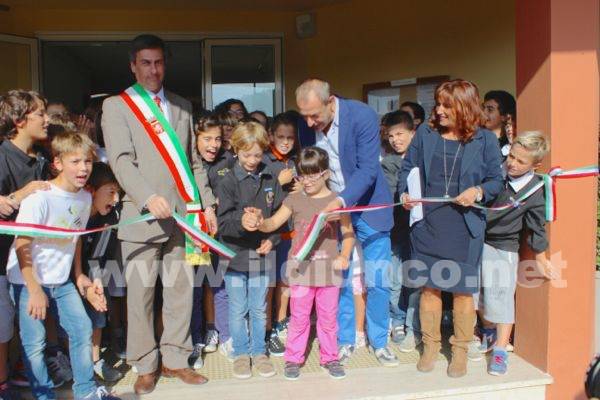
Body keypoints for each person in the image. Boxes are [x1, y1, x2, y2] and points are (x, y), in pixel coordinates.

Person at [102, 34, 216, 394]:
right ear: (134, 66)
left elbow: (194, 162)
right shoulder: (117, 106)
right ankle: (145, 364)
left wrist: (208, 204)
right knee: (141, 297)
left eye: (159, 62)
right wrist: (148, 196)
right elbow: (120, 161)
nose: (153, 70)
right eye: (146, 63)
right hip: (142, 217)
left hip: (183, 216)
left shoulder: (182, 105)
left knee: (181, 292)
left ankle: (176, 360)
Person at [398, 79, 504, 378]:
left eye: (447, 105)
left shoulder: (484, 140)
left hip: (464, 225)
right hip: (427, 223)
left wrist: (478, 192)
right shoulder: (426, 134)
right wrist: (405, 194)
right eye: (438, 104)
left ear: (464, 107)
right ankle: (430, 346)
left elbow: (497, 180)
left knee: (461, 291)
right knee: (429, 287)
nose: (439, 110)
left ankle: (459, 350)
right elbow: (408, 170)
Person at [7, 131, 120, 400]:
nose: (83, 168)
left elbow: (76, 237)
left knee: (81, 330)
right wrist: (34, 289)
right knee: (35, 344)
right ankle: (44, 395)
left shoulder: (83, 198)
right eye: (75, 162)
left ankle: (86, 391)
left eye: (88, 162)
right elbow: (22, 244)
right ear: (57, 163)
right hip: (27, 281)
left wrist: (79, 275)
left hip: (62, 280)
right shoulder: (40, 198)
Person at [295, 78, 397, 367]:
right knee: (339, 278)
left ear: (330, 102)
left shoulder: (361, 115)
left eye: (315, 114)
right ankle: (345, 340)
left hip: (368, 206)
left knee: (377, 280)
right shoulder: (306, 123)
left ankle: (380, 342)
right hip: (331, 211)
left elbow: (368, 169)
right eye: (304, 116)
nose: (310, 122)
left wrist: (341, 201)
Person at [244, 146, 355, 380]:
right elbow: (273, 223)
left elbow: (348, 234)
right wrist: (259, 222)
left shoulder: (337, 201)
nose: (306, 181)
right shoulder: (293, 199)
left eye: (312, 175)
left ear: (325, 173)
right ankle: (293, 359)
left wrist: (344, 256)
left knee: (327, 318)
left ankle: (330, 357)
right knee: (299, 318)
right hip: (300, 271)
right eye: (301, 175)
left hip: (329, 273)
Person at [480, 131, 555, 375]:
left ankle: (501, 350)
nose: (512, 163)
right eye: (511, 156)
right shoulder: (495, 173)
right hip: (476, 239)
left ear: (536, 165)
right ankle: (487, 330)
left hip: (504, 246)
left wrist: (541, 257)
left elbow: (536, 227)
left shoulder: (534, 190)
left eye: (521, 161)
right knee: (473, 294)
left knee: (501, 297)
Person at [215, 121, 282, 380]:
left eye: (257, 154)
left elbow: (279, 216)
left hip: (262, 256)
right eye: (246, 155)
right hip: (234, 256)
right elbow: (222, 223)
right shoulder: (228, 180)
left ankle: (259, 351)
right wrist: (241, 224)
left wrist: (272, 239)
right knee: (237, 308)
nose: (253, 160)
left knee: (258, 308)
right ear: (235, 151)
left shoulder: (270, 177)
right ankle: (241, 353)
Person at [0, 90, 52, 400]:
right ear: (19, 121)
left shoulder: (42, 158)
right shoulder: (2, 156)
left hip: (36, 261)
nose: (47, 120)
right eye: (40, 114)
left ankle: (26, 372)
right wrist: (25, 192)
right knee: (3, 327)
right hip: (4, 263)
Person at [189, 114, 235, 368]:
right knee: (195, 288)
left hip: (219, 236)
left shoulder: (228, 161)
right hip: (193, 237)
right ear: (195, 138)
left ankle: (223, 334)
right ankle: (195, 339)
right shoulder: (187, 164)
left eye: (217, 138)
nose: (213, 145)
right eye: (207, 139)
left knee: (218, 286)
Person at [380, 110, 420, 352]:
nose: (396, 139)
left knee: (415, 279)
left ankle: (412, 322)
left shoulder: (422, 159)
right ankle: (396, 321)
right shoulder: (388, 163)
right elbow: (392, 192)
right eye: (391, 135)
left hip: (419, 231)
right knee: (395, 280)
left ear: (412, 133)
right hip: (395, 230)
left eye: (400, 134)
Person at [81, 162, 123, 383]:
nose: (115, 199)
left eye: (117, 193)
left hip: (94, 273)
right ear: (91, 191)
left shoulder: (109, 219)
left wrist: (95, 282)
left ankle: (95, 360)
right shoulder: (77, 216)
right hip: (70, 277)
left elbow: (97, 256)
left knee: (98, 316)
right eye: (110, 192)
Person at [263, 112, 300, 357]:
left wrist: (302, 186)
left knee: (286, 281)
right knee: (269, 283)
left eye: (290, 138)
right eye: (280, 137)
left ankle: (281, 322)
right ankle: (266, 330)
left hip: (292, 232)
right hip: (270, 234)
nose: (285, 142)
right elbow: (260, 194)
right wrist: (279, 181)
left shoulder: (296, 160)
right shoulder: (264, 161)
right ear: (270, 137)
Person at [482, 90, 516, 162]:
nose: (483, 113)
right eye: (483, 108)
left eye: (490, 110)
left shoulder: (512, 144)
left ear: (505, 116)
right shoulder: (476, 139)